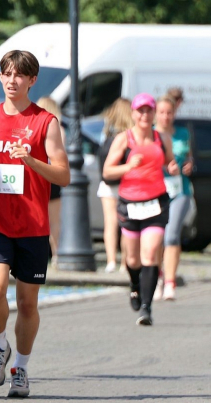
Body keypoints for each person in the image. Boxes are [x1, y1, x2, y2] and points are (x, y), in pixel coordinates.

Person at [0, 50, 69, 398]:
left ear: (32, 80)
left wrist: (34, 162)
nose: (13, 81)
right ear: (0, 77)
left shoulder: (45, 122)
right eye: (7, 74)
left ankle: (21, 368)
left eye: (20, 76)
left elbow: (64, 175)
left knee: (27, 303)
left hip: (32, 225)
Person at [103, 93, 178, 326]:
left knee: (151, 251)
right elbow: (107, 172)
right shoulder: (123, 139)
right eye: (140, 111)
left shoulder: (161, 138)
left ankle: (146, 307)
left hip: (156, 201)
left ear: (153, 113)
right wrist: (127, 166)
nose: (145, 115)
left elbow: (169, 162)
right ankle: (135, 284)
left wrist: (173, 167)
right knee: (133, 258)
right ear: (133, 114)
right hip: (130, 203)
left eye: (149, 111)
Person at [155, 95, 193, 300]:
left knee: (171, 235)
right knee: (156, 237)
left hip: (180, 191)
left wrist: (188, 165)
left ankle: (170, 282)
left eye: (169, 112)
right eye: (161, 112)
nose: (165, 116)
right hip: (156, 191)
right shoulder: (150, 135)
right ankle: (158, 275)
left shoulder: (183, 133)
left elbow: (188, 157)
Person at [97, 98, 133, 273]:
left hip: (107, 183)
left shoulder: (107, 133)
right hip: (127, 182)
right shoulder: (130, 136)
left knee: (110, 222)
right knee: (126, 223)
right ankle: (125, 262)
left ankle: (111, 260)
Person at [36, 97, 64, 268]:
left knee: (37, 217)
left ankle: (39, 252)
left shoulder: (36, 127)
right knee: (54, 220)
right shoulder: (59, 129)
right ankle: (56, 254)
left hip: (38, 175)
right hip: (53, 176)